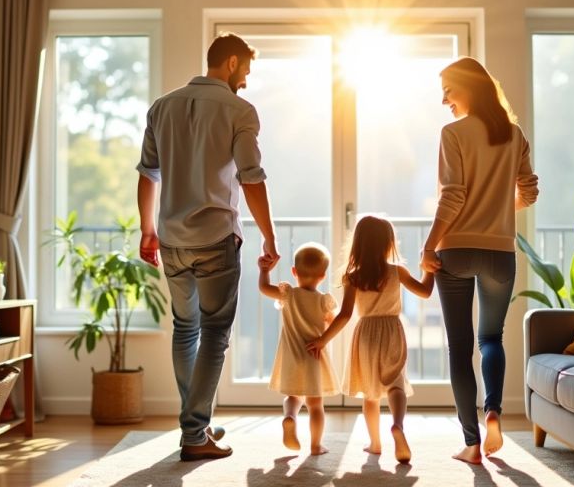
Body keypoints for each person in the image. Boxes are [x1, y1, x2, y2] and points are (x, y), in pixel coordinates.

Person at [136, 32, 280, 462]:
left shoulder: (162, 106)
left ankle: (195, 422)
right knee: (215, 332)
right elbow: (250, 177)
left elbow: (148, 174)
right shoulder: (239, 110)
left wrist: (148, 229)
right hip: (216, 238)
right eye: (247, 71)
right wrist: (270, 236)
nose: (248, 81)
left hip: (172, 240)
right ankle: (195, 432)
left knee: (186, 329)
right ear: (232, 62)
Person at [419, 56, 539, 465]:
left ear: (468, 87)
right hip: (500, 252)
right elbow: (530, 190)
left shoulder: (453, 133)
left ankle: (472, 443)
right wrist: (499, 213)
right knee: (491, 339)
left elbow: (452, 196)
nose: (443, 101)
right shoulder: (514, 134)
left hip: (456, 249)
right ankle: (493, 412)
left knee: (459, 347)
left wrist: (429, 245)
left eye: (448, 90)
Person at [307, 216, 434, 465]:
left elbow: (344, 316)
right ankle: (397, 425)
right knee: (396, 384)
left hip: (365, 335)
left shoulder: (353, 276)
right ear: (388, 244)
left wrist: (323, 339)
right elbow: (425, 292)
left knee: (371, 393)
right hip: (392, 331)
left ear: (359, 244)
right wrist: (429, 269)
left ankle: (375, 443)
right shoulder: (397, 272)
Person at [258, 242, 339, 456]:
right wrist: (323, 334)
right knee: (315, 404)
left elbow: (264, 288)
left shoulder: (288, 294)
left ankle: (290, 417)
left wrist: (264, 271)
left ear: (294, 272)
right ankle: (315, 445)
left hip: (291, 357)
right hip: (313, 356)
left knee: (293, 396)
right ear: (322, 276)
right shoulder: (323, 301)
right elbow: (332, 323)